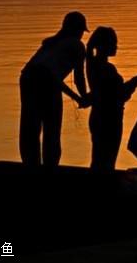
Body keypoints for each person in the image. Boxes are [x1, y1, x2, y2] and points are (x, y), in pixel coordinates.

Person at [19, 11, 91, 168]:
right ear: (77, 29)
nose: (81, 35)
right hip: (42, 82)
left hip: (27, 79)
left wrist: (80, 97)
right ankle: (50, 167)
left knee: (30, 128)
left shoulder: (51, 43)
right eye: (81, 31)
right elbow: (76, 77)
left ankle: (30, 166)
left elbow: (46, 74)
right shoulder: (77, 46)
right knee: (52, 129)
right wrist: (82, 97)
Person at [85, 26, 137, 172]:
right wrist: (134, 84)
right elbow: (119, 96)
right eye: (114, 43)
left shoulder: (92, 64)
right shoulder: (106, 68)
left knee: (98, 159)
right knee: (107, 160)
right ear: (105, 45)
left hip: (98, 116)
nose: (116, 46)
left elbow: (112, 92)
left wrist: (132, 83)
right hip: (110, 119)